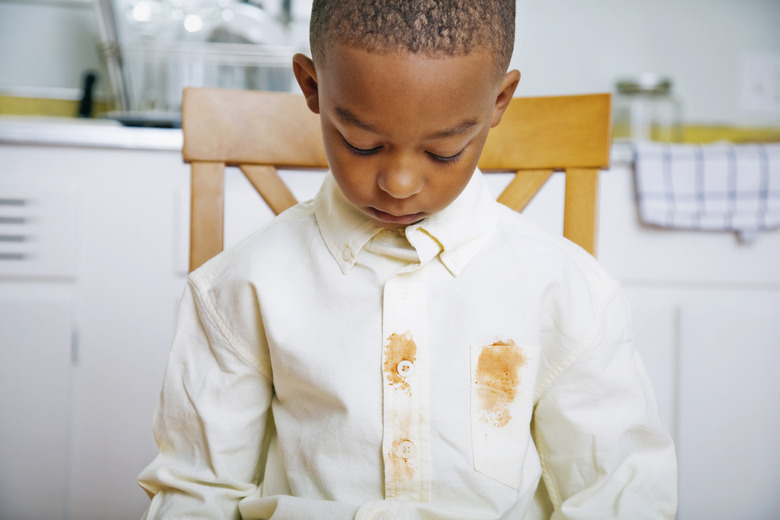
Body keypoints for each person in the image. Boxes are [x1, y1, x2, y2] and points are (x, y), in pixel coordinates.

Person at [137, 0, 677, 518]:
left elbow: (618, 493)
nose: (399, 184)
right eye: (362, 144)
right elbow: (197, 491)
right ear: (311, 88)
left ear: (499, 103)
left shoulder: (569, 293)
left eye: (443, 153)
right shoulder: (239, 289)